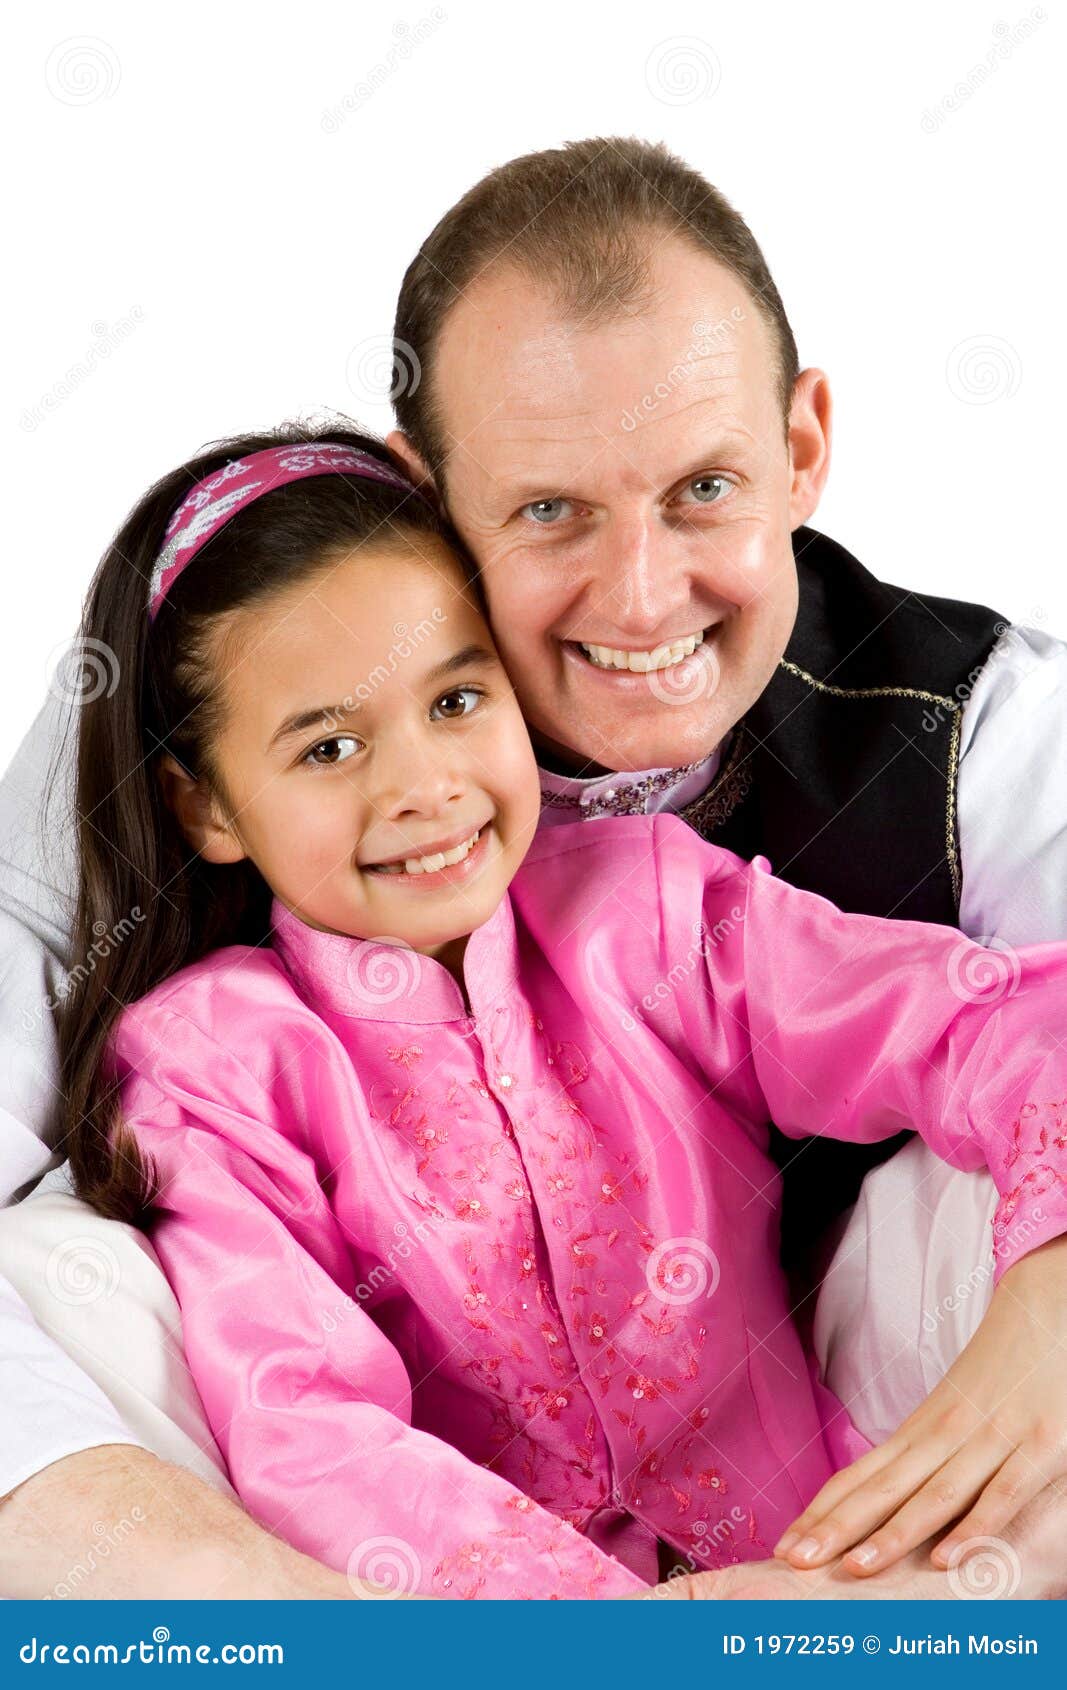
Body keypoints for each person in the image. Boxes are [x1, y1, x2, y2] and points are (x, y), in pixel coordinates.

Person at [3, 137, 1066, 1599]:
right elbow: (302, 1412)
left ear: (803, 448)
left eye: (454, 703)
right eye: (326, 747)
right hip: (479, 1591)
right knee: (61, 1259)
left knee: (999, 1161)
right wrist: (604, 1632)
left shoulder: (645, 897)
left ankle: (909, 1619)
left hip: (831, 1513)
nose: (422, 787)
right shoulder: (214, 1057)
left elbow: (998, 1021)